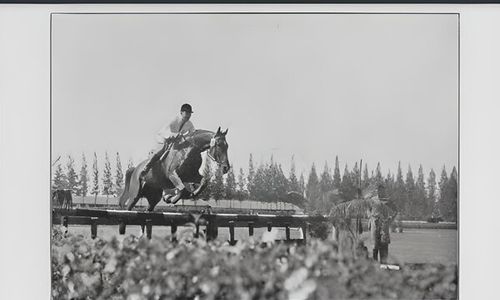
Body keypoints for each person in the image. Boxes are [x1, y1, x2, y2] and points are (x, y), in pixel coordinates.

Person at [139, 103, 196, 199]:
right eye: (186, 113)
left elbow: (192, 133)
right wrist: (173, 135)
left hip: (176, 143)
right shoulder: (174, 120)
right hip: (164, 138)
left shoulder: (189, 124)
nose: (188, 116)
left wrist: (187, 138)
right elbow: (165, 131)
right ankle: (146, 167)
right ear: (181, 113)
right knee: (160, 150)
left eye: (190, 113)